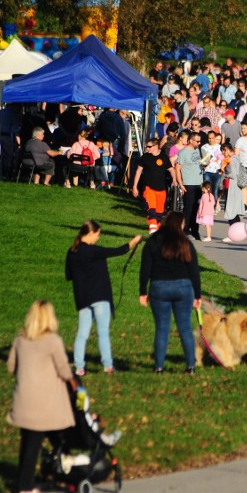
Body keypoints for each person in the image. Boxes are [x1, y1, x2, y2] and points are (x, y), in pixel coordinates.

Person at [7, 300, 74, 493]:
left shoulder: (20, 340)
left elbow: (11, 367)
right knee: (33, 447)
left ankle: (23, 486)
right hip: (42, 404)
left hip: (22, 400)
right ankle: (26, 491)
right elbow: (64, 370)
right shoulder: (52, 341)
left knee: (26, 444)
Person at [66, 221, 141, 375]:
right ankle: (108, 365)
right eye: (98, 235)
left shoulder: (72, 252)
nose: (98, 238)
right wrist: (133, 242)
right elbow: (118, 251)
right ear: (91, 233)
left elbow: (69, 276)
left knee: (82, 334)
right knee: (103, 332)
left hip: (83, 298)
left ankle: (79, 367)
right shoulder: (94, 251)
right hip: (100, 296)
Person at [139, 211, 201, 374]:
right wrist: (197, 295)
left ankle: (158, 367)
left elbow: (145, 268)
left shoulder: (153, 241)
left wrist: (142, 292)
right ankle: (191, 366)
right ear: (179, 224)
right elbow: (194, 270)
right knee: (185, 328)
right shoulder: (185, 243)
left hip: (159, 287)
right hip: (184, 287)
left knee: (162, 328)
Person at [132, 139, 177, 234]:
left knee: (159, 213)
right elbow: (138, 171)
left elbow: (171, 169)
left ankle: (157, 230)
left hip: (161, 189)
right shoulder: (145, 157)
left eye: (149, 147)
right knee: (151, 210)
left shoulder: (164, 157)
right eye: (146, 147)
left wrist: (174, 179)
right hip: (148, 188)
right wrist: (135, 186)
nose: (147, 149)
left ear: (156, 146)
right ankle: (152, 229)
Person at [176, 131, 204, 240]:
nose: (199, 143)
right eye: (197, 141)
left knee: (197, 208)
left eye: (199, 141)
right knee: (188, 208)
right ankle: (185, 230)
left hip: (198, 183)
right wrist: (181, 184)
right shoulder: (183, 152)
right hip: (189, 183)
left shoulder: (197, 150)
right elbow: (178, 169)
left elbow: (197, 164)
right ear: (191, 140)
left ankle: (195, 230)